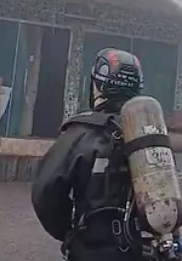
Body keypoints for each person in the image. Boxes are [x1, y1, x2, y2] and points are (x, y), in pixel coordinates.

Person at [31, 48, 147, 261]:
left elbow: (45, 192)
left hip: (94, 249)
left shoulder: (80, 133)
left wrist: (69, 232)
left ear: (99, 86)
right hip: (147, 250)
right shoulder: (150, 133)